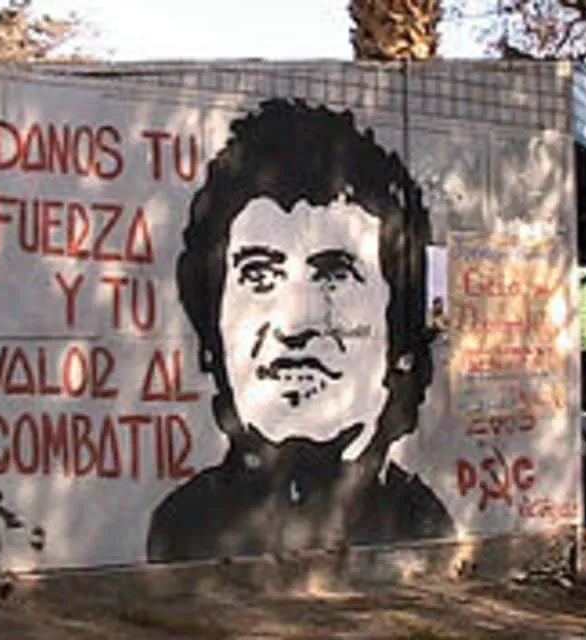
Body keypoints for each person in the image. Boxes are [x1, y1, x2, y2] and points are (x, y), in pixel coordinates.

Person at [147, 98, 454, 563]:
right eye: (259, 276)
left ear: (399, 329)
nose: (294, 325)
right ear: (211, 327)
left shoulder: (426, 527)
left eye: (335, 275)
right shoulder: (180, 530)